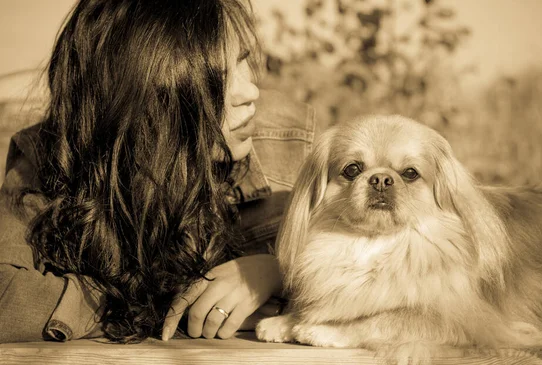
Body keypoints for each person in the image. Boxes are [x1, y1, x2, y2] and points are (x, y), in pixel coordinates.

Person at [0, 0, 315, 343]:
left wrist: (283, 272)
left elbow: (376, 272)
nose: (250, 91)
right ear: (145, 100)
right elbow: (7, 299)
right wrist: (154, 305)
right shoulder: (51, 154)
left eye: (241, 62)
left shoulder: (287, 137)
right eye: (216, 79)